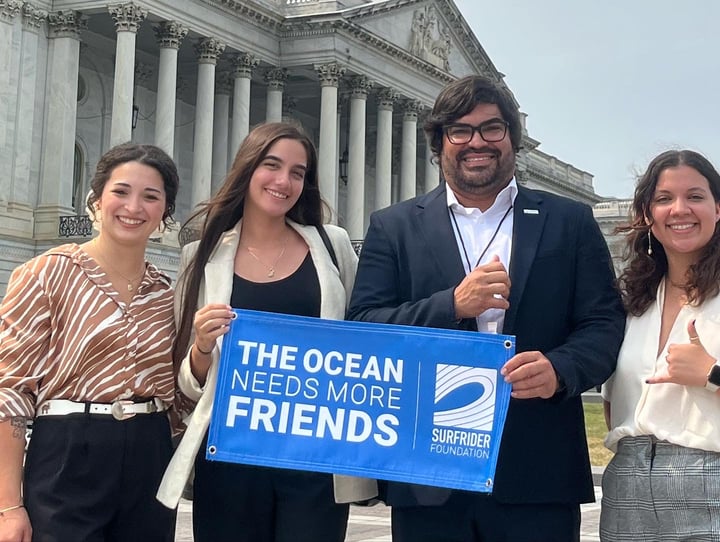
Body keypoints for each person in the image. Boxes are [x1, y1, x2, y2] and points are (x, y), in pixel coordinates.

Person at [347, 74, 626, 542]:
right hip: (429, 472)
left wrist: (561, 369)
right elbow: (364, 327)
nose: (477, 142)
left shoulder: (568, 222)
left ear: (512, 139)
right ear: (440, 143)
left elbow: (603, 322)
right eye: (460, 130)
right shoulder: (393, 227)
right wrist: (451, 305)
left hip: (537, 470)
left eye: (492, 129)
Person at [156, 122, 377, 542]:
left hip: (316, 457)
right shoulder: (200, 256)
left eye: (298, 172)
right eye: (272, 165)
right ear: (248, 169)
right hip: (229, 455)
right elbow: (186, 381)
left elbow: (362, 340)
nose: (284, 181)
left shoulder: (333, 246)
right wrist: (203, 345)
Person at [0, 142, 180, 542]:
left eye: (151, 197)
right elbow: (10, 391)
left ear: (164, 213)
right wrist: (9, 506)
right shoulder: (44, 274)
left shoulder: (168, 293)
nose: (133, 207)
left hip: (150, 452)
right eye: (120, 192)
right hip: (68, 448)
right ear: (96, 200)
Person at [601, 150, 720, 541]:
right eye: (665, 198)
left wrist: (712, 374)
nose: (680, 209)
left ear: (717, 210)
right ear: (648, 215)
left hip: (710, 484)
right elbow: (612, 399)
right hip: (627, 488)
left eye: (696, 196)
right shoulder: (635, 301)